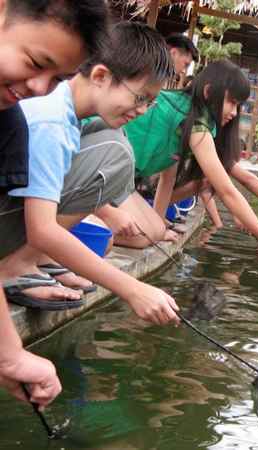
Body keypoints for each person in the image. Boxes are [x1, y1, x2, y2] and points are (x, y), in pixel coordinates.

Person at [0, 22, 182, 327]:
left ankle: (34, 259)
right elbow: (42, 229)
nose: (144, 111)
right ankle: (13, 267)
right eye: (141, 98)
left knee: (112, 146)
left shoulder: (70, 113)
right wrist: (132, 289)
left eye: (151, 103)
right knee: (113, 154)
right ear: (100, 76)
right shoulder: (53, 123)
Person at [0, 0, 109, 410]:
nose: (39, 88)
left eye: (57, 77)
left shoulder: (9, 125)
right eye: (34, 62)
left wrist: (10, 356)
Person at [103, 60, 258, 274]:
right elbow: (227, 191)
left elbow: (168, 179)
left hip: (119, 181)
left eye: (239, 105)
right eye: (231, 102)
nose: (234, 112)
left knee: (153, 232)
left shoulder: (186, 111)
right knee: (142, 237)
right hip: (102, 169)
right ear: (210, 92)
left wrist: (158, 225)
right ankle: (87, 220)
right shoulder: (196, 124)